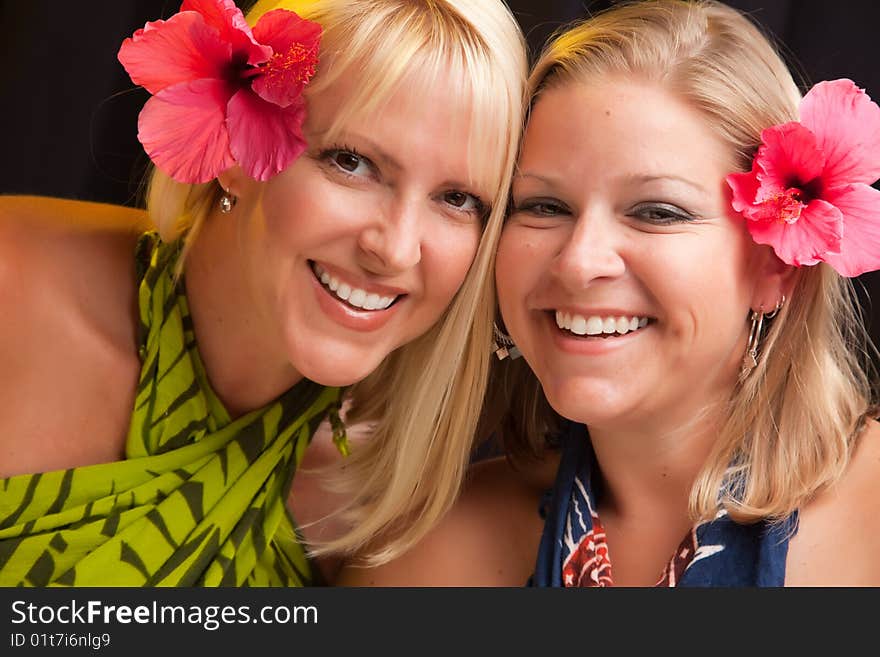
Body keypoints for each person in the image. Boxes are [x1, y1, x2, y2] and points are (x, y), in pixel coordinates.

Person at [338, 0, 880, 587]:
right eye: (544, 207)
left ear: (776, 266)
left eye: (656, 211)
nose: (578, 262)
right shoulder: (427, 557)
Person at [0, 0, 527, 586]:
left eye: (458, 199)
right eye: (351, 162)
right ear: (232, 141)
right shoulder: (11, 292)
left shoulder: (386, 502)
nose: (397, 249)